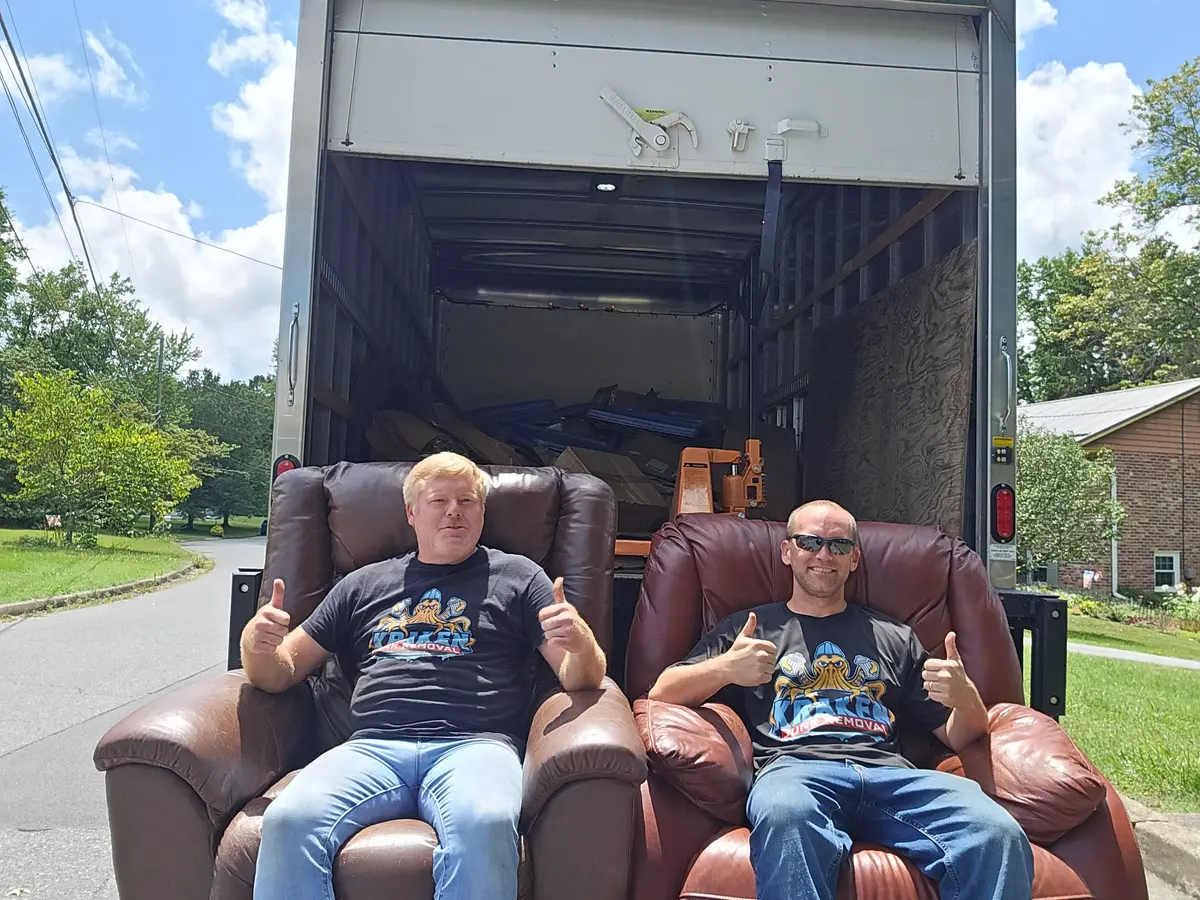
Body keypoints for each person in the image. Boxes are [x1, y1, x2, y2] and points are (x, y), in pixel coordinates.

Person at [240, 451, 607, 900]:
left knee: (485, 822)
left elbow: (579, 679)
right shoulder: (361, 584)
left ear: (482, 512)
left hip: (475, 746)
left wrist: (580, 641)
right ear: (412, 513)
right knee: (288, 820)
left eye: (467, 501)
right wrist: (256, 646)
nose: (454, 511)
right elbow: (279, 673)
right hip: (372, 748)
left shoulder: (520, 576)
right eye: (439, 501)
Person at [648, 500, 1034, 900]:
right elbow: (661, 692)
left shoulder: (893, 635)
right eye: (809, 542)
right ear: (787, 552)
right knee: (786, 814)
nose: (823, 555)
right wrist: (725, 669)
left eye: (838, 546)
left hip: (891, 776)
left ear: (854, 560)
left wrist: (967, 697)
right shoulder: (751, 629)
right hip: (796, 773)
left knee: (995, 831)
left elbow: (961, 735)